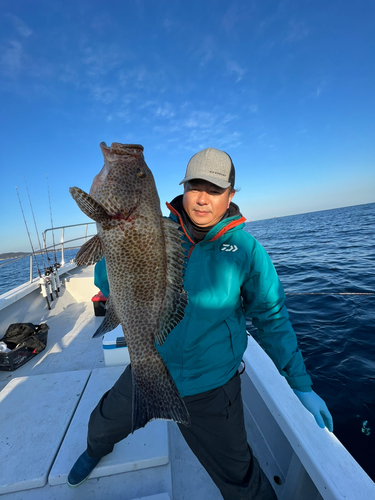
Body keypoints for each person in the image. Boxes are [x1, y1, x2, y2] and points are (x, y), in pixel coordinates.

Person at [67, 147, 333, 499]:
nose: (203, 199)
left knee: (239, 476)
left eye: (215, 189)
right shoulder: (156, 229)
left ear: (231, 196)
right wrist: (112, 238)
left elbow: (271, 317)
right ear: (183, 189)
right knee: (101, 423)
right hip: (148, 365)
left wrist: (300, 383)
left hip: (211, 385)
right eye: (195, 187)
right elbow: (107, 283)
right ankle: (95, 450)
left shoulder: (246, 251)